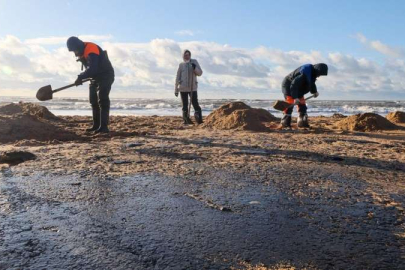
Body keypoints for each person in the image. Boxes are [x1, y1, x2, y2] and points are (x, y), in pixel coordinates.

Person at [67, 36, 115, 133]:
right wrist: (83, 77)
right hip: (94, 78)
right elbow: (91, 70)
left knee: (102, 99)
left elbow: (93, 68)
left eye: (75, 50)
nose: (75, 54)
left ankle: (104, 127)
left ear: (79, 46)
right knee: (93, 101)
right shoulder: (82, 52)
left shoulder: (91, 49)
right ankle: (96, 126)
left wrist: (81, 77)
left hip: (106, 75)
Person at [281, 63, 328, 128]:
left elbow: (312, 83)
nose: (319, 76)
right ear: (317, 70)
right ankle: (285, 124)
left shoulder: (312, 73)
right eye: (319, 74)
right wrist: (295, 97)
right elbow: (294, 84)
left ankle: (302, 123)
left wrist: (314, 92)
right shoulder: (304, 73)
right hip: (289, 86)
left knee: (302, 105)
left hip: (298, 88)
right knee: (290, 105)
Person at [175, 50, 203, 125]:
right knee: (184, 105)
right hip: (183, 88)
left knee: (195, 103)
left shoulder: (194, 62)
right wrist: (176, 89)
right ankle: (186, 120)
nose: (186, 56)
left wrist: (194, 68)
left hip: (192, 87)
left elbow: (200, 73)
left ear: (190, 55)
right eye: (185, 55)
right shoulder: (181, 65)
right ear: (183, 56)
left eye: (188, 55)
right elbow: (178, 77)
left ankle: (199, 120)